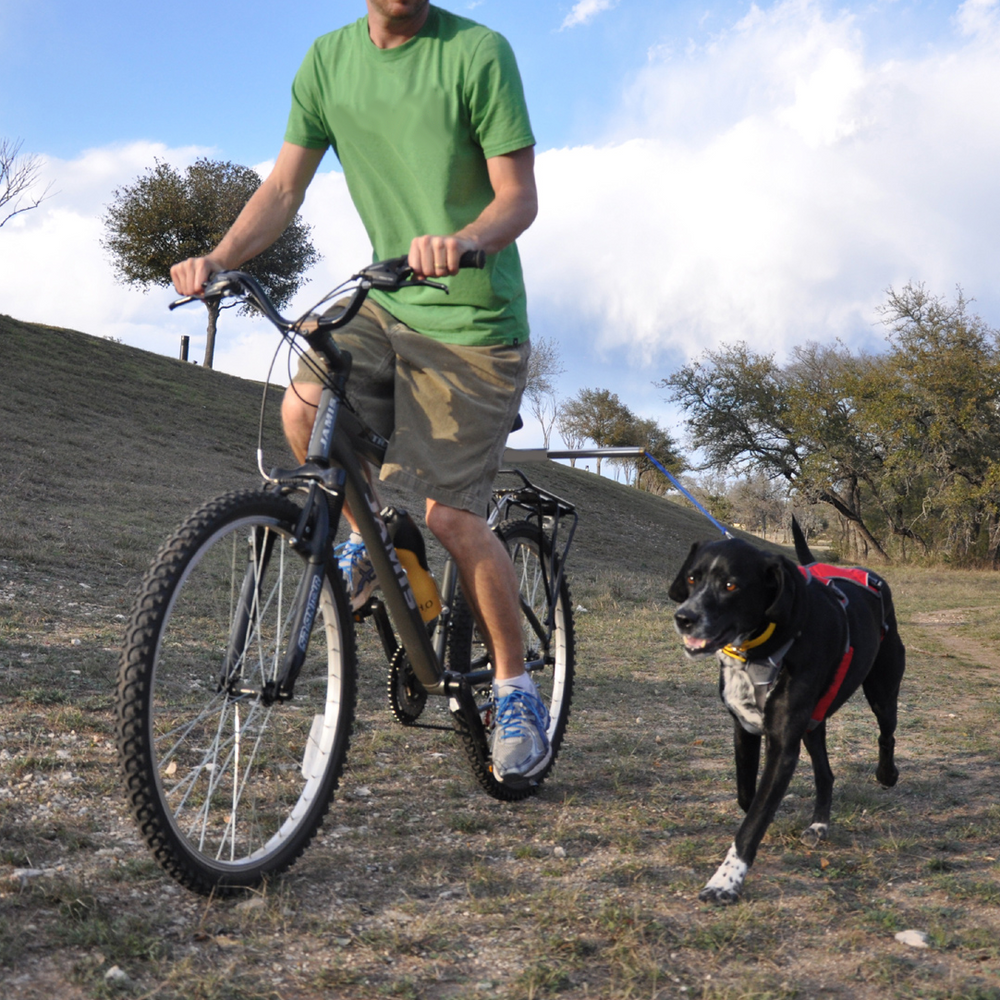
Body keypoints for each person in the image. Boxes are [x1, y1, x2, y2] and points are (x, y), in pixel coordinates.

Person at [170, 0, 548, 785]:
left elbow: (519, 198)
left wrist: (467, 240)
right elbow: (281, 189)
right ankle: (371, 535)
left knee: (450, 515)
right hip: (387, 297)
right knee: (303, 403)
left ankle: (514, 690)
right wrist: (218, 257)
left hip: (473, 317)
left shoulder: (478, 52)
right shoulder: (327, 61)